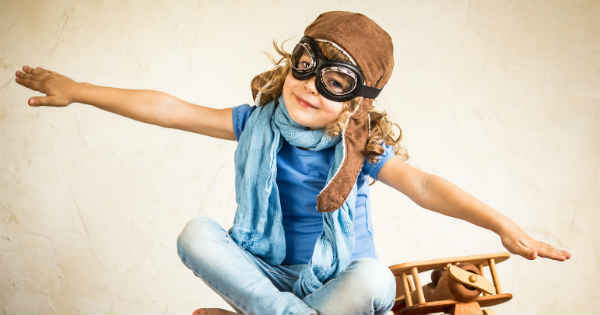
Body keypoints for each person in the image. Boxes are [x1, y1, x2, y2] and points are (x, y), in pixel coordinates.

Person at [15, 10, 571, 315]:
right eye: (307, 65)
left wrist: (504, 227)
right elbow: (170, 109)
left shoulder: (361, 150)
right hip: (265, 277)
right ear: (290, 63)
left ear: (357, 102)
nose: (310, 86)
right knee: (196, 234)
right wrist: (80, 90)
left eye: (335, 82)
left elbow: (425, 185)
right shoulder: (252, 123)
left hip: (337, 282)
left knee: (374, 277)